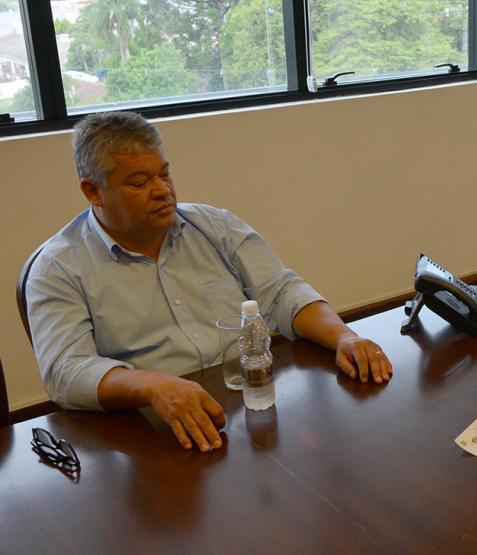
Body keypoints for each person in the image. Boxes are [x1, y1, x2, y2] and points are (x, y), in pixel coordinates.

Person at [27, 111, 393, 453]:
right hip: (151, 428)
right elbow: (65, 370)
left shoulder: (214, 226)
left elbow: (281, 292)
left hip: (247, 402)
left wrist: (345, 336)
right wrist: (151, 385)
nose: (162, 191)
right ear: (92, 191)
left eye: (164, 174)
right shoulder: (58, 267)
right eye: (140, 181)